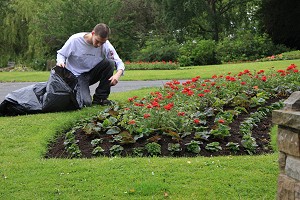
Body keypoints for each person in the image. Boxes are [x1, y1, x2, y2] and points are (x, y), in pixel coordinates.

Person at [56, 23, 125, 107]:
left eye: (102, 42)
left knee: (109, 63)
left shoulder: (106, 45)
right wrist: (60, 62)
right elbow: (61, 54)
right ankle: (73, 93)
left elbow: (118, 61)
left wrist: (117, 75)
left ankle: (100, 98)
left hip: (92, 74)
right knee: (86, 103)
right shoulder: (75, 40)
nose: (99, 45)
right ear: (93, 33)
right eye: (97, 41)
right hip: (76, 77)